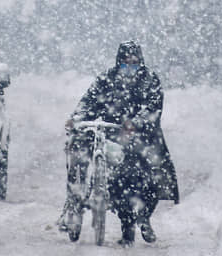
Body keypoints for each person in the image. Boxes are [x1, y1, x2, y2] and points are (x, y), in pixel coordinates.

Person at [58, 41, 179, 246]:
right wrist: (77, 118)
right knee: (90, 157)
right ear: (118, 61)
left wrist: (135, 123)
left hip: (144, 137)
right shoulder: (107, 79)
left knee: (149, 178)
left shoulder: (150, 80)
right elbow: (89, 101)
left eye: (134, 62)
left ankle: (144, 219)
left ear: (141, 61)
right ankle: (78, 203)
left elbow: (153, 108)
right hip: (112, 134)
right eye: (125, 62)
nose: (129, 66)